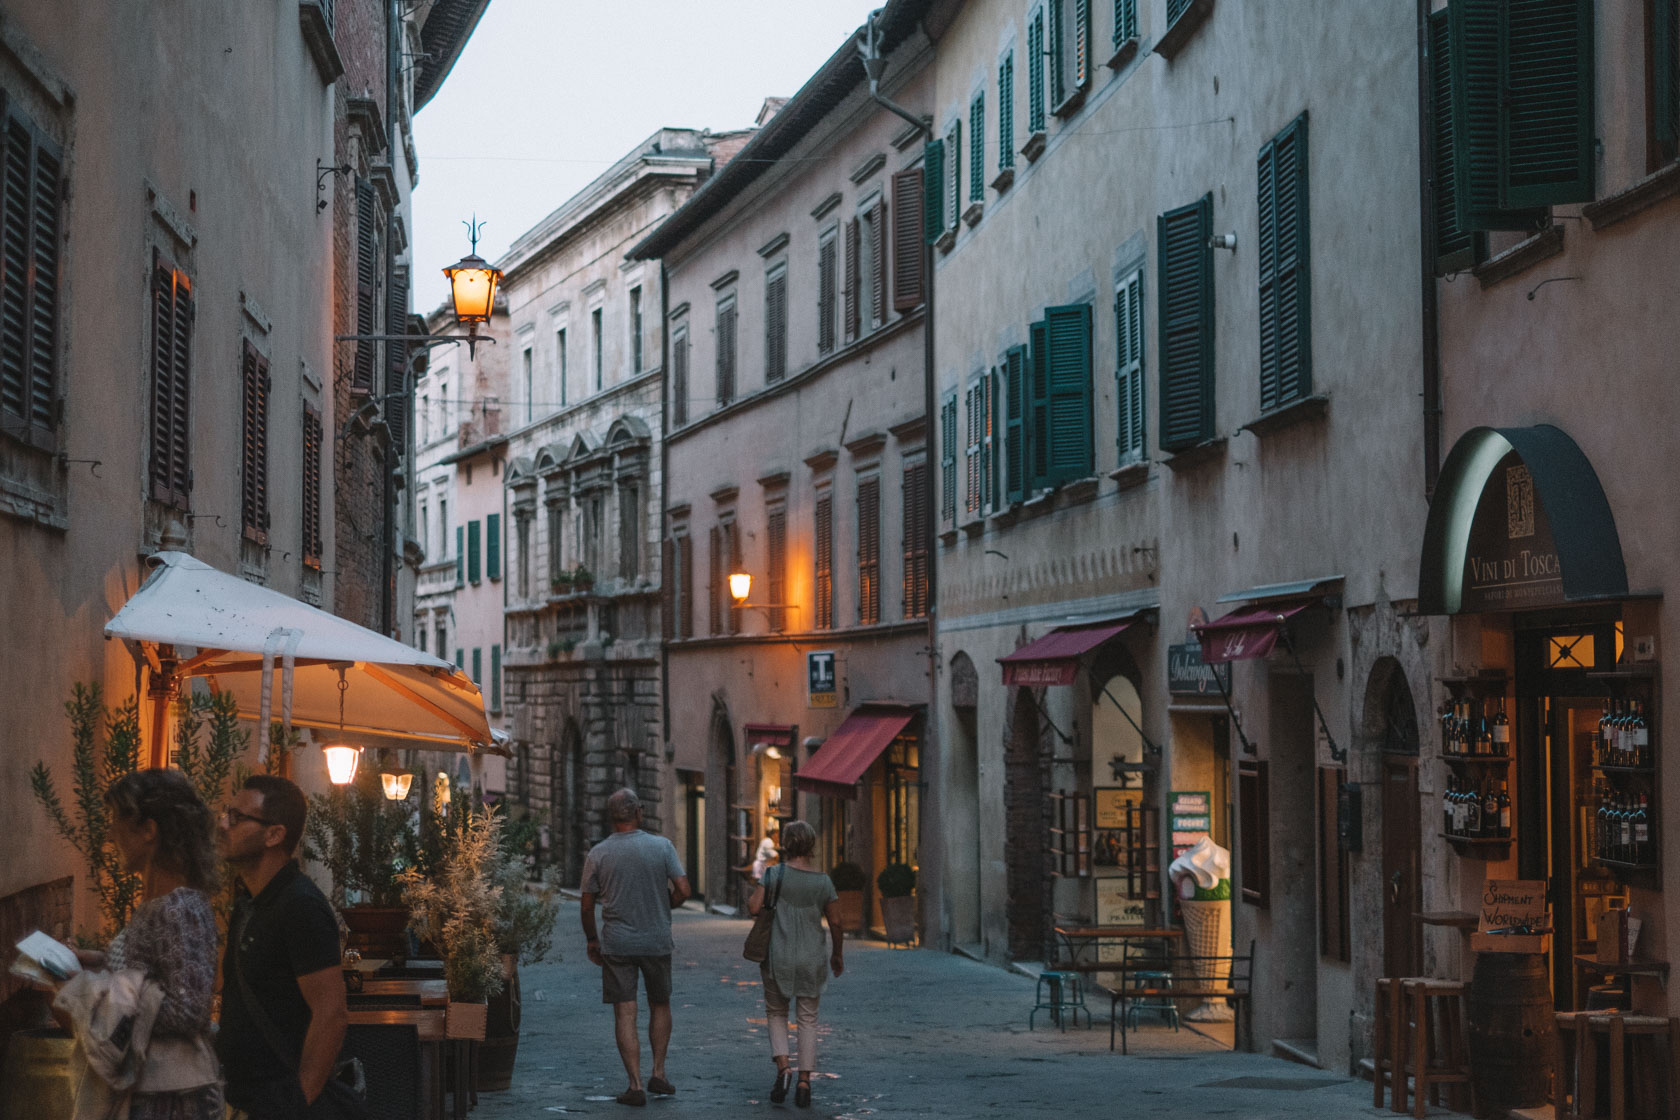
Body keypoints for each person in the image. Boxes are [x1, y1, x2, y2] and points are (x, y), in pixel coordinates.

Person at [44, 769, 224, 1119]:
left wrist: (93, 990)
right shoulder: (163, 903)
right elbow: (149, 971)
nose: (110, 836)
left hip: (169, 1100)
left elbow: (189, 1009)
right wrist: (93, 961)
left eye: (116, 821)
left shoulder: (177, 907)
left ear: (148, 830)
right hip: (154, 1094)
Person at [215, 775, 349, 1119]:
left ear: (274, 834)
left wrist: (297, 1102)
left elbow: (331, 1014)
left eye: (237, 817)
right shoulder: (250, 903)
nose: (223, 824)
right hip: (246, 1101)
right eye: (226, 813)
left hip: (279, 1104)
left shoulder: (300, 906)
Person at [579, 788, 691, 1107]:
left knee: (625, 1011)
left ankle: (635, 1084)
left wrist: (591, 939)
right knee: (660, 1003)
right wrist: (665, 904)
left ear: (612, 818)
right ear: (638, 813)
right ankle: (659, 1073)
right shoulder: (662, 846)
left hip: (618, 943)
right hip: (656, 940)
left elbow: (587, 906)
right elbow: (684, 889)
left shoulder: (598, 854)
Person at [746, 819, 844, 1110]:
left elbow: (753, 907)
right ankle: (804, 1081)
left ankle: (783, 1068)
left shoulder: (774, 874)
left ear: (786, 845)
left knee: (776, 1012)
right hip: (812, 957)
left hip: (779, 956)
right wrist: (837, 954)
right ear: (812, 845)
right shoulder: (823, 881)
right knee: (808, 1018)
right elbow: (837, 921)